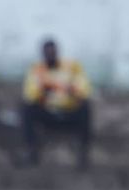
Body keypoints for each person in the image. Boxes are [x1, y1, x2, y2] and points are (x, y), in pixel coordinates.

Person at [22, 38, 92, 168]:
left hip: (69, 112)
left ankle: (83, 154)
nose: (50, 55)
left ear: (57, 52)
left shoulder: (72, 67)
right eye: (47, 53)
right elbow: (30, 94)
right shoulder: (37, 69)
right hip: (47, 114)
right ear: (43, 54)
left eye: (52, 52)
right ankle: (31, 151)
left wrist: (68, 91)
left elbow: (84, 91)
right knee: (27, 109)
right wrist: (46, 92)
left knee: (86, 108)